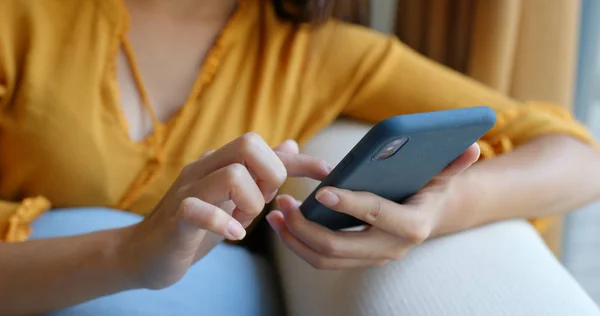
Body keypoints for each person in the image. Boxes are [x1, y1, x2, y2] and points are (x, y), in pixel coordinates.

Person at [0, 0, 599, 315]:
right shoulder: (24, 17)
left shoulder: (316, 54)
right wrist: (129, 254)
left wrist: (442, 208)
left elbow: (579, 156)